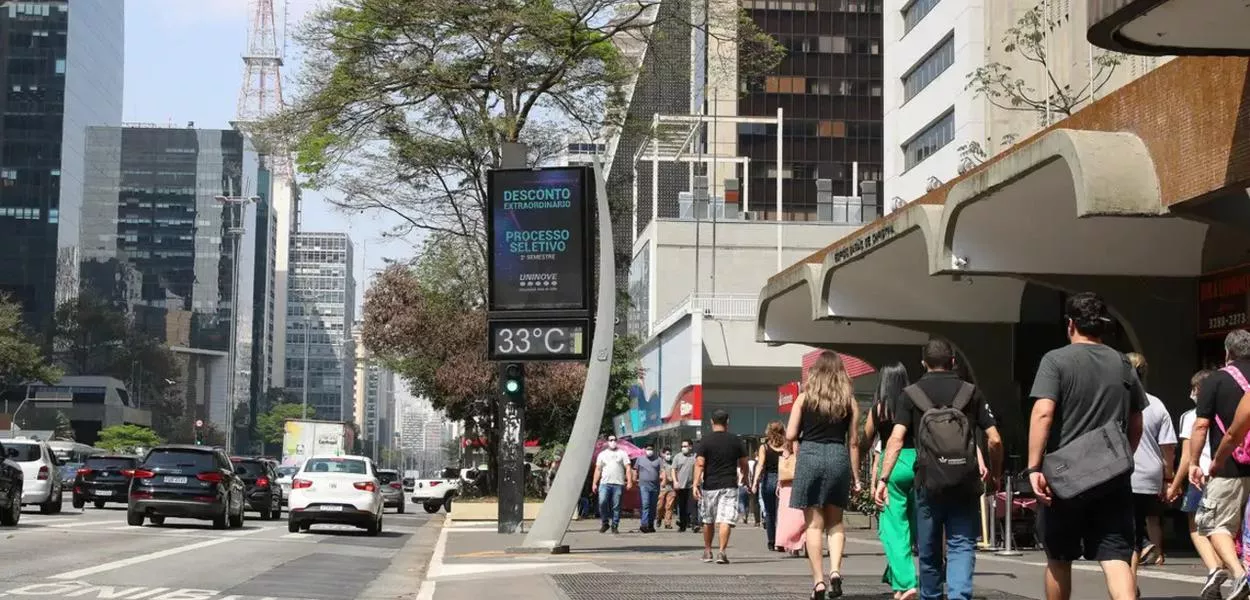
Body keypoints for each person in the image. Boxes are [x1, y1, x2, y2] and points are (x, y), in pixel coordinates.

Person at [1026, 292, 1146, 600]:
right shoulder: (1122, 363)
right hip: (1112, 478)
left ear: (1070, 325)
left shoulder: (1055, 360)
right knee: (1116, 555)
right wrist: (1120, 459)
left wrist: (1034, 467)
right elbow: (1136, 424)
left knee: (1059, 557)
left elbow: (1043, 413)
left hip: (1064, 479)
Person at [877, 339, 1001, 600]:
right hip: (964, 482)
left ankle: (931, 596)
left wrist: (884, 478)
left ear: (924, 363)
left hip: (928, 483)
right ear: (953, 362)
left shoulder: (911, 394)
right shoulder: (971, 392)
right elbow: (995, 439)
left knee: (929, 547)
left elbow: (896, 439)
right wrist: (996, 473)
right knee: (961, 544)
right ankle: (959, 595)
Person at [787, 351, 862, 600]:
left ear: (815, 372)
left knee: (814, 525)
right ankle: (836, 572)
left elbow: (789, 434)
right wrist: (857, 477)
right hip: (838, 457)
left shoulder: (804, 398)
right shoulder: (849, 401)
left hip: (809, 456)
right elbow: (853, 442)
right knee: (835, 522)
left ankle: (818, 581)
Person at [1192, 329, 1250, 600]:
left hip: (1229, 467)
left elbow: (1202, 425)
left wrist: (1196, 462)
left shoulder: (1216, 380)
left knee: (1215, 524)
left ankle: (1239, 576)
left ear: (1227, 352)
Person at [1166, 369, 1223, 598]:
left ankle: (1214, 567)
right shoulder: (1228, 412)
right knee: (1222, 527)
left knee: (1196, 524)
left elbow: (1187, 457)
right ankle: (1222, 566)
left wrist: (1174, 484)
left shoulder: (1191, 416)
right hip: (1226, 475)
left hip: (1199, 476)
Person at [866, 362, 918, 600]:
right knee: (915, 525)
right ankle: (897, 580)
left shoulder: (879, 409)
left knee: (894, 528)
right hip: (918, 461)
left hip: (893, 463)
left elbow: (863, 440)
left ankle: (907, 582)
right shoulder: (916, 402)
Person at [1126, 352, 1176, 575]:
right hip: (1149, 476)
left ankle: (1129, 582)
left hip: (1120, 473)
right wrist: (1169, 477)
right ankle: (1146, 548)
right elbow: (1168, 447)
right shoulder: (1156, 405)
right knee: (1141, 523)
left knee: (1126, 531)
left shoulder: (1113, 400)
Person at [694, 409, 748, 564]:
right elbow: (744, 463)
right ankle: (722, 552)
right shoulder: (736, 441)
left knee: (708, 519)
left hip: (710, 485)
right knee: (725, 519)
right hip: (729, 485)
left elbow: (700, 463)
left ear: (711, 422)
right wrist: (744, 478)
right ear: (728, 422)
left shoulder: (705, 440)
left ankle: (707, 550)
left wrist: (695, 484)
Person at [752, 422, 787, 551]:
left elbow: (760, 465)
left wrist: (755, 482)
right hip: (784, 481)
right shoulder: (787, 446)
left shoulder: (764, 447)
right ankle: (782, 541)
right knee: (782, 513)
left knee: (770, 512)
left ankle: (772, 541)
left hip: (768, 480)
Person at [592, 435, 633, 534]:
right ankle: (605, 522)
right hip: (604, 483)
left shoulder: (622, 453)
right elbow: (598, 469)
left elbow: (628, 468)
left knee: (616, 506)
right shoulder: (602, 454)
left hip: (618, 483)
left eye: (614, 440)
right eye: (611, 440)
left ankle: (615, 525)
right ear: (607, 442)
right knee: (602, 502)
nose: (613, 441)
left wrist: (630, 481)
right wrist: (594, 483)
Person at [633, 443, 666, 533]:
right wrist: (633, 480)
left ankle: (650, 525)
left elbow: (663, 471)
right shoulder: (640, 459)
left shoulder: (659, 460)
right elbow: (635, 470)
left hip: (655, 486)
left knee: (653, 506)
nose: (649, 451)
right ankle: (644, 524)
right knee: (646, 504)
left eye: (651, 449)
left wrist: (663, 481)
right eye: (648, 449)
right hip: (644, 485)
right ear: (644, 449)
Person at [671, 439, 697, 533]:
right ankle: (682, 525)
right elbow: (673, 470)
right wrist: (675, 481)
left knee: (693, 505)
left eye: (685, 446)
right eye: (682, 446)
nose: (683, 448)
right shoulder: (677, 457)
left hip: (692, 485)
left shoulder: (695, 456)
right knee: (682, 506)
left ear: (690, 446)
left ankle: (695, 524)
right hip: (680, 485)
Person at [657, 447, 677, 529]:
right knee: (660, 505)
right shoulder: (660, 463)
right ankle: (658, 518)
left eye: (670, 454)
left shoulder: (673, 463)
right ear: (663, 454)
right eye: (667, 454)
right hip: (663, 486)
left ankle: (667, 523)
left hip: (671, 487)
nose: (669, 456)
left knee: (669, 505)